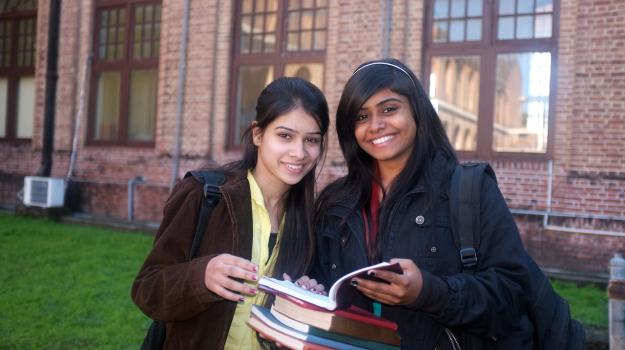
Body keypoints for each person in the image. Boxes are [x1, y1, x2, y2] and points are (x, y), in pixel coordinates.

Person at [312, 59, 533, 349]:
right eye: (361, 117)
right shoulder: (335, 202)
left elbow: (512, 295)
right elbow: (317, 283)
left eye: (389, 109)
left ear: (417, 110)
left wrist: (427, 292)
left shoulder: (468, 190)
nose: (376, 125)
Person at [132, 77, 329, 350]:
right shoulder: (204, 194)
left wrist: (302, 301)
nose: (299, 152)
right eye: (285, 136)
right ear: (258, 134)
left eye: (311, 140)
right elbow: (147, 289)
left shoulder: (309, 219)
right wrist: (201, 276)